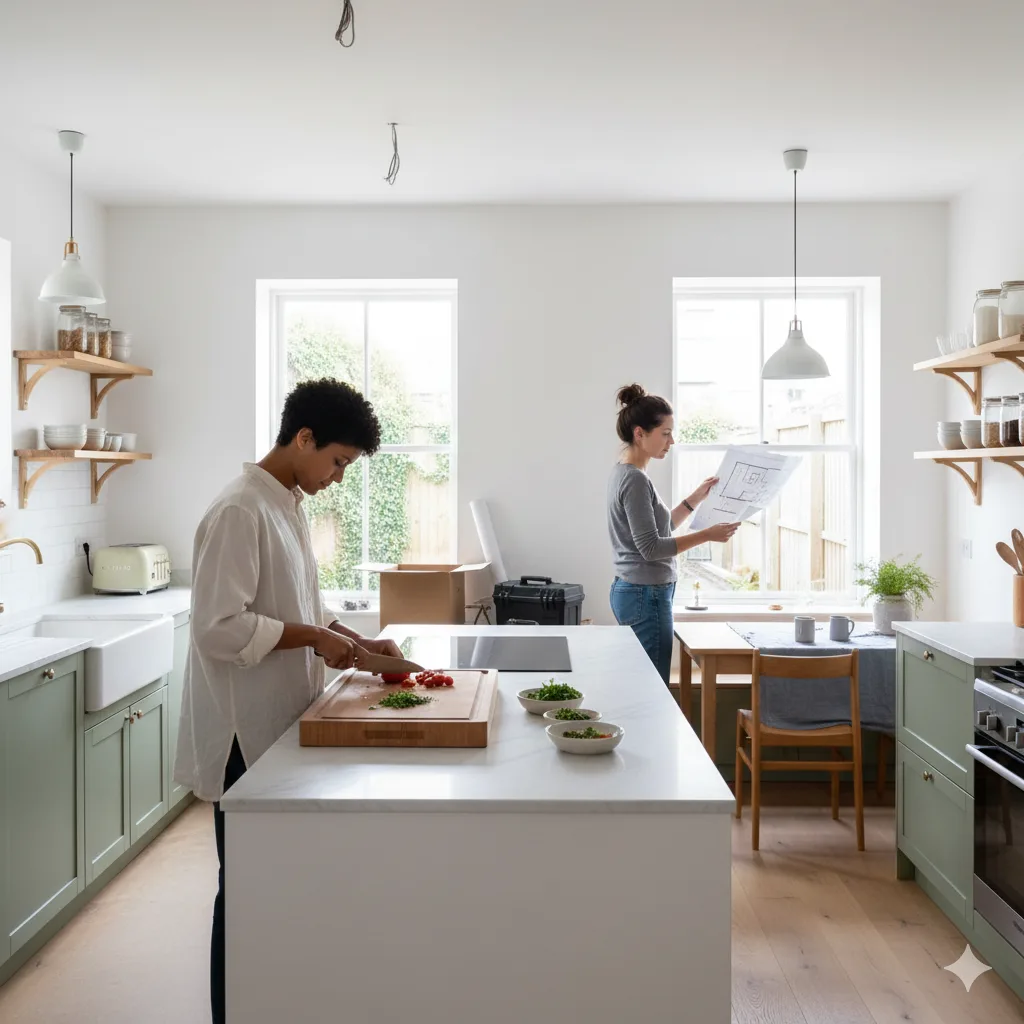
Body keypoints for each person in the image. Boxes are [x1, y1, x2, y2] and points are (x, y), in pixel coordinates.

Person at [173, 378, 403, 1024]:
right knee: (242, 893)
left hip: (279, 726)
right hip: (243, 740)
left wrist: (355, 640)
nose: (337, 476)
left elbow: (298, 605)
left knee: (270, 888)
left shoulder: (285, 503)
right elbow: (218, 628)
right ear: (303, 438)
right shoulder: (239, 510)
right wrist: (315, 638)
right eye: (337, 461)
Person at [607, 384, 739, 684]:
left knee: (645, 685)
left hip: (637, 592)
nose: (671, 441)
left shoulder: (628, 474)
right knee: (653, 689)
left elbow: (660, 529)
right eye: (665, 433)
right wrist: (707, 535)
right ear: (640, 434)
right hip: (645, 595)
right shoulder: (635, 481)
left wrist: (695, 498)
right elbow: (651, 549)